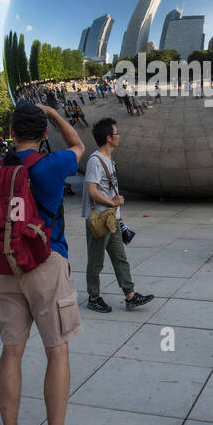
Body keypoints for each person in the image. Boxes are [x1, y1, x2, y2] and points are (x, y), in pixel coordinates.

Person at [0, 103, 91, 425]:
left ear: (11, 131)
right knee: (57, 352)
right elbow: (79, 144)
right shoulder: (49, 166)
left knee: (11, 352)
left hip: (6, 266)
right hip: (46, 262)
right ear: (43, 133)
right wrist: (56, 114)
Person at [81, 118, 153, 313]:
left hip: (111, 218)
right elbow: (92, 191)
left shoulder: (109, 160)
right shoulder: (95, 161)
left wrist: (119, 214)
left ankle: (130, 295)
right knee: (96, 261)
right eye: (116, 133)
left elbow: (110, 190)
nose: (118, 136)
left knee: (120, 257)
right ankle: (93, 297)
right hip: (99, 220)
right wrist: (113, 203)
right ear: (108, 138)